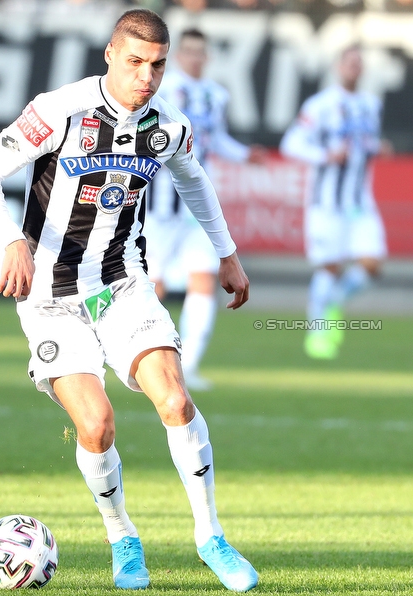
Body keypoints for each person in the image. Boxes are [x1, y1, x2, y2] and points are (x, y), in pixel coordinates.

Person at [0, 8, 258, 593]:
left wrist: (226, 253)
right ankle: (122, 536)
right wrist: (11, 240)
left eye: (158, 65)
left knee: (174, 400)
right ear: (109, 55)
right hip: (49, 296)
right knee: (96, 426)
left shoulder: (167, 125)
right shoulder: (59, 110)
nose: (146, 76)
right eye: (135, 62)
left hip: (122, 283)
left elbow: (194, 179)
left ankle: (211, 537)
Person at [143, 27, 267, 391]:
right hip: (162, 204)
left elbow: (217, 141)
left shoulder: (217, 95)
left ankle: (189, 366)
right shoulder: (163, 91)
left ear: (207, 56)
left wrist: (246, 154)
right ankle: (140, 356)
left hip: (198, 207)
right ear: (180, 56)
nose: (196, 57)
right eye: (190, 51)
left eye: (201, 52)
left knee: (202, 281)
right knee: (151, 283)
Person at [279, 44, 389, 360]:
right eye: (349, 63)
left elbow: (361, 144)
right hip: (325, 202)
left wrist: (376, 147)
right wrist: (324, 155)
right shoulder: (320, 105)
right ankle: (318, 334)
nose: (354, 68)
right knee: (330, 266)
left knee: (372, 263)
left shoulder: (371, 105)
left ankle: (331, 306)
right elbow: (291, 144)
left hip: (360, 200)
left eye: (359, 63)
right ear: (337, 67)